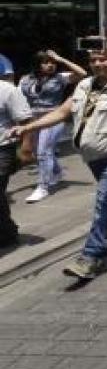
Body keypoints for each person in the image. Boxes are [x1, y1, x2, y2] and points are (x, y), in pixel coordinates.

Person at [11, 44, 107, 279]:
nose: (98, 64)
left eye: (104, 59)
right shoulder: (84, 85)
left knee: (106, 199)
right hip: (93, 157)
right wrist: (27, 127)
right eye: (94, 60)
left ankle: (92, 257)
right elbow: (60, 113)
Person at [18, 50, 87, 203]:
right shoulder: (25, 79)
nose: (50, 65)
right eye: (46, 62)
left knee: (43, 151)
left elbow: (82, 73)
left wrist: (61, 58)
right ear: (37, 64)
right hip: (33, 119)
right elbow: (19, 101)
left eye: (53, 63)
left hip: (53, 117)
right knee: (39, 152)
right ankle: (56, 172)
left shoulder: (60, 78)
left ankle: (43, 187)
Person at [0, 61, 33, 247]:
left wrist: (26, 149)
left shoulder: (7, 90)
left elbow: (26, 121)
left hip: (3, 149)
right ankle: (6, 229)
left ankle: (7, 233)